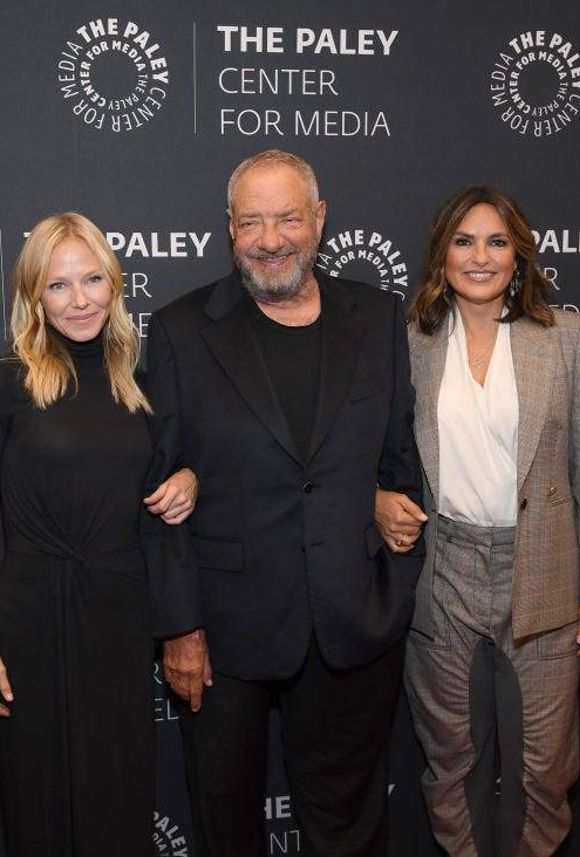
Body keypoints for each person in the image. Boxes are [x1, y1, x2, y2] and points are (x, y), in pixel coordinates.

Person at [142, 149, 423, 856]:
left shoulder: (378, 317)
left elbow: (401, 459)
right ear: (229, 228)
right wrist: (179, 626)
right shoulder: (181, 330)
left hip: (352, 619)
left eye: (288, 219)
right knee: (226, 823)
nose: (270, 239)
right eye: (251, 222)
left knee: (350, 828)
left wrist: (391, 564)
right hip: (224, 633)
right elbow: (157, 491)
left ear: (320, 220)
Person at [375, 186, 580, 856]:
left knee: (546, 764)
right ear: (442, 254)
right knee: (450, 757)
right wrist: (376, 497)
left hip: (543, 565)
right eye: (463, 241)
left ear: (519, 254)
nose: (479, 257)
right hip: (442, 568)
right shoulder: (410, 341)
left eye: (496, 241)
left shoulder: (563, 335)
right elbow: (371, 448)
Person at [0, 212, 197, 856]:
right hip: (30, 617)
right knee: (37, 798)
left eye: (92, 279)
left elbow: (167, 476)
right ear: (34, 295)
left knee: (118, 792)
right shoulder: (3, 383)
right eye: (59, 285)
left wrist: (189, 478)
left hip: (120, 615)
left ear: (115, 284)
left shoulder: (139, 386)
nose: (80, 299)